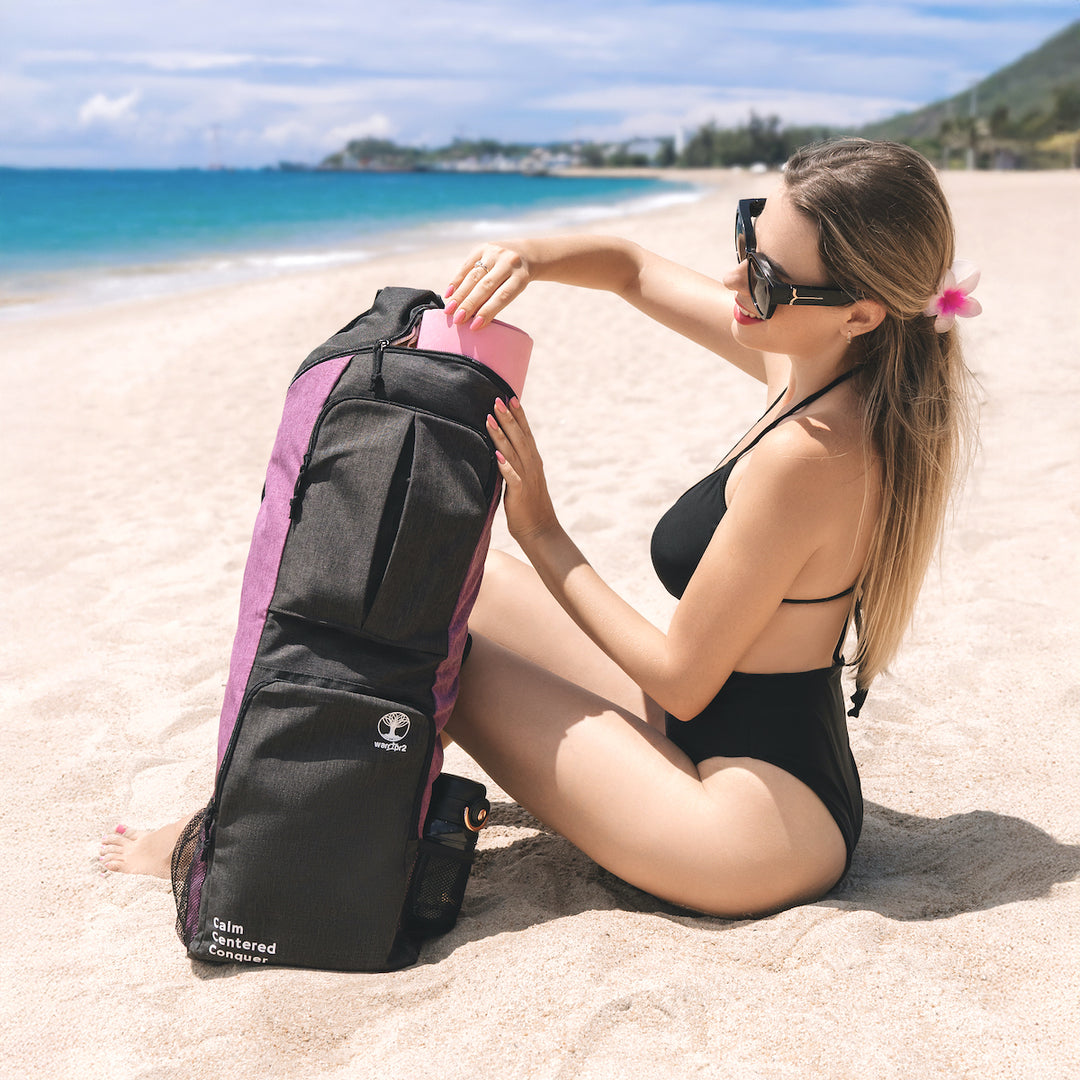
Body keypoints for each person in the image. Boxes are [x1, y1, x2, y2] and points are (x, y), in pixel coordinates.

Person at [101, 139, 977, 918]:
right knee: (442, 578)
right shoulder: (817, 353)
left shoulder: (816, 453)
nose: (732, 280)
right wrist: (529, 254)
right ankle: (280, 794)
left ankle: (253, 832)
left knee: (417, 637)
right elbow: (632, 267)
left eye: (766, 276)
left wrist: (546, 529)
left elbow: (680, 680)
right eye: (747, 237)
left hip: (748, 827)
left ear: (862, 311)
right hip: (731, 739)